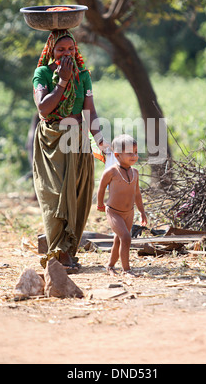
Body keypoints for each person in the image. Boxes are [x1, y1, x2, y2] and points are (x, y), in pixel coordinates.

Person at [32, 29, 107, 272]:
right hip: (52, 141)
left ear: (76, 51)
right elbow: (44, 109)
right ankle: (57, 253)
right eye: (61, 50)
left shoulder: (83, 75)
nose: (66, 54)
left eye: (71, 50)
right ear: (52, 52)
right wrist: (62, 80)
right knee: (54, 195)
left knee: (77, 196)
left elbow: (90, 113)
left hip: (78, 139)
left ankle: (68, 252)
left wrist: (103, 143)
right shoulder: (42, 73)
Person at [97, 134, 147, 277]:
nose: (134, 155)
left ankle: (110, 266)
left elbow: (137, 194)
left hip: (129, 212)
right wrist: (100, 204)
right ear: (117, 155)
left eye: (136, 152)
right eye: (130, 153)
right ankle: (126, 270)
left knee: (119, 240)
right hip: (113, 212)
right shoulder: (111, 172)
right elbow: (101, 188)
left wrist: (142, 212)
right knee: (125, 237)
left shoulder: (135, 173)